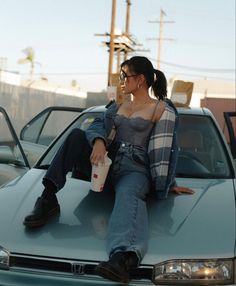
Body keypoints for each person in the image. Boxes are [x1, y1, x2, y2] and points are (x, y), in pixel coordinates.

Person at [23, 56, 193, 283]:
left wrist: (168, 183)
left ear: (141, 79)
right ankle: (48, 198)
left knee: (128, 196)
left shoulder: (162, 109)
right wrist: (99, 142)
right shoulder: (117, 105)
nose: (121, 80)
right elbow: (95, 126)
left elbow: (165, 151)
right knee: (75, 136)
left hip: (136, 169)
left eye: (125, 76)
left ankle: (123, 258)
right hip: (106, 164)